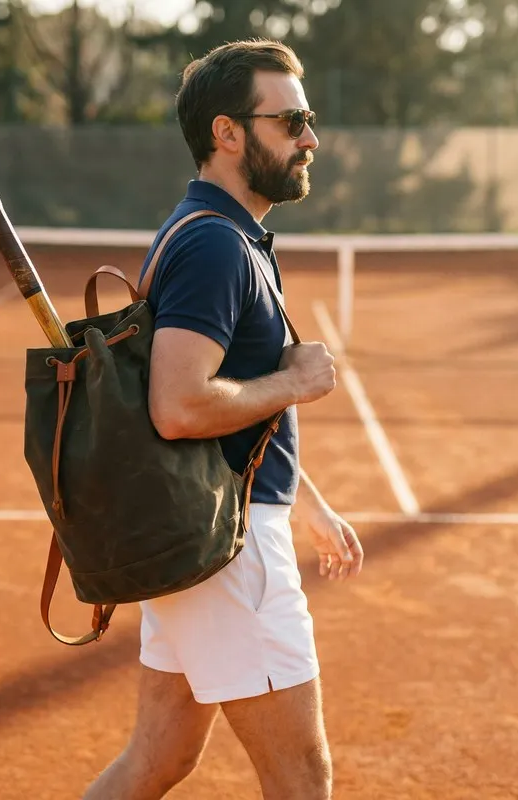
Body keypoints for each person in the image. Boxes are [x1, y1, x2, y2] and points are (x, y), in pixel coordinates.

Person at [83, 39, 364, 800]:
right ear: (227, 133)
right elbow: (179, 406)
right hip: (229, 550)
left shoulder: (219, 232)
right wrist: (294, 379)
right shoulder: (216, 244)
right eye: (293, 120)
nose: (310, 138)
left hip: (204, 537)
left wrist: (308, 501)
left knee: (159, 760)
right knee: (301, 778)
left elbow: (232, 409)